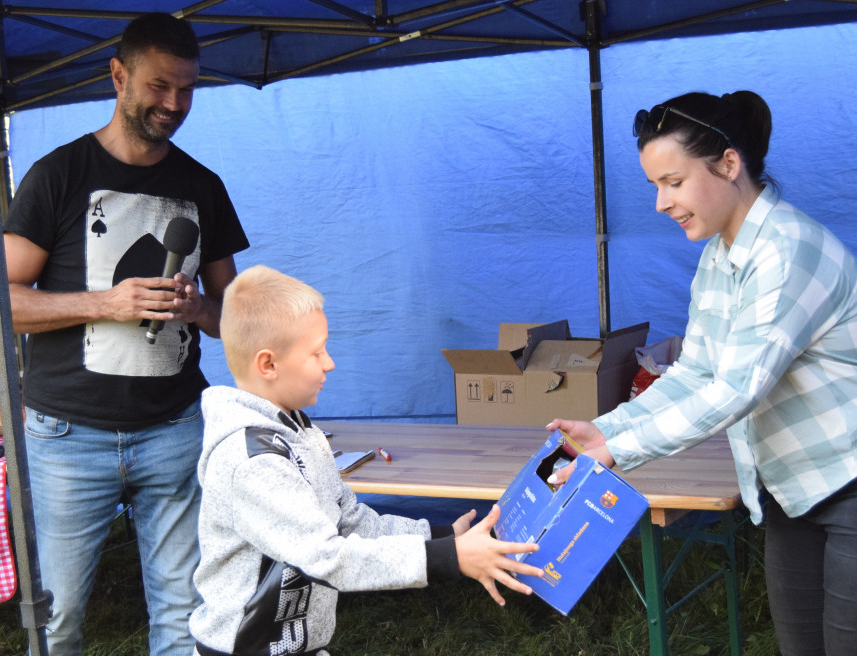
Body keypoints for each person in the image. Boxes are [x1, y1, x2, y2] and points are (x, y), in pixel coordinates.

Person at [0, 13, 249, 656]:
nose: (174, 104)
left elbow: (235, 317)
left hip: (176, 428)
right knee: (58, 617)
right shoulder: (58, 175)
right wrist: (109, 302)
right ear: (118, 76)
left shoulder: (202, 186)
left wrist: (196, 309)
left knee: (185, 613)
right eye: (159, 86)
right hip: (67, 434)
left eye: (187, 89)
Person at [548, 91, 857, 656]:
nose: (661, 203)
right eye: (654, 187)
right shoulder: (721, 255)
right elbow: (695, 373)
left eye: (674, 181)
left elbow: (734, 389)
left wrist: (622, 452)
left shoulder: (787, 249)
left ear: (729, 164)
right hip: (793, 490)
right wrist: (609, 430)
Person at [188, 265, 543, 656]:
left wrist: (442, 536)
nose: (330, 363)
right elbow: (327, 557)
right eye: (316, 352)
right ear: (268, 364)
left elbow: (353, 522)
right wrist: (449, 558)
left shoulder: (300, 434)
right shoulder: (254, 461)